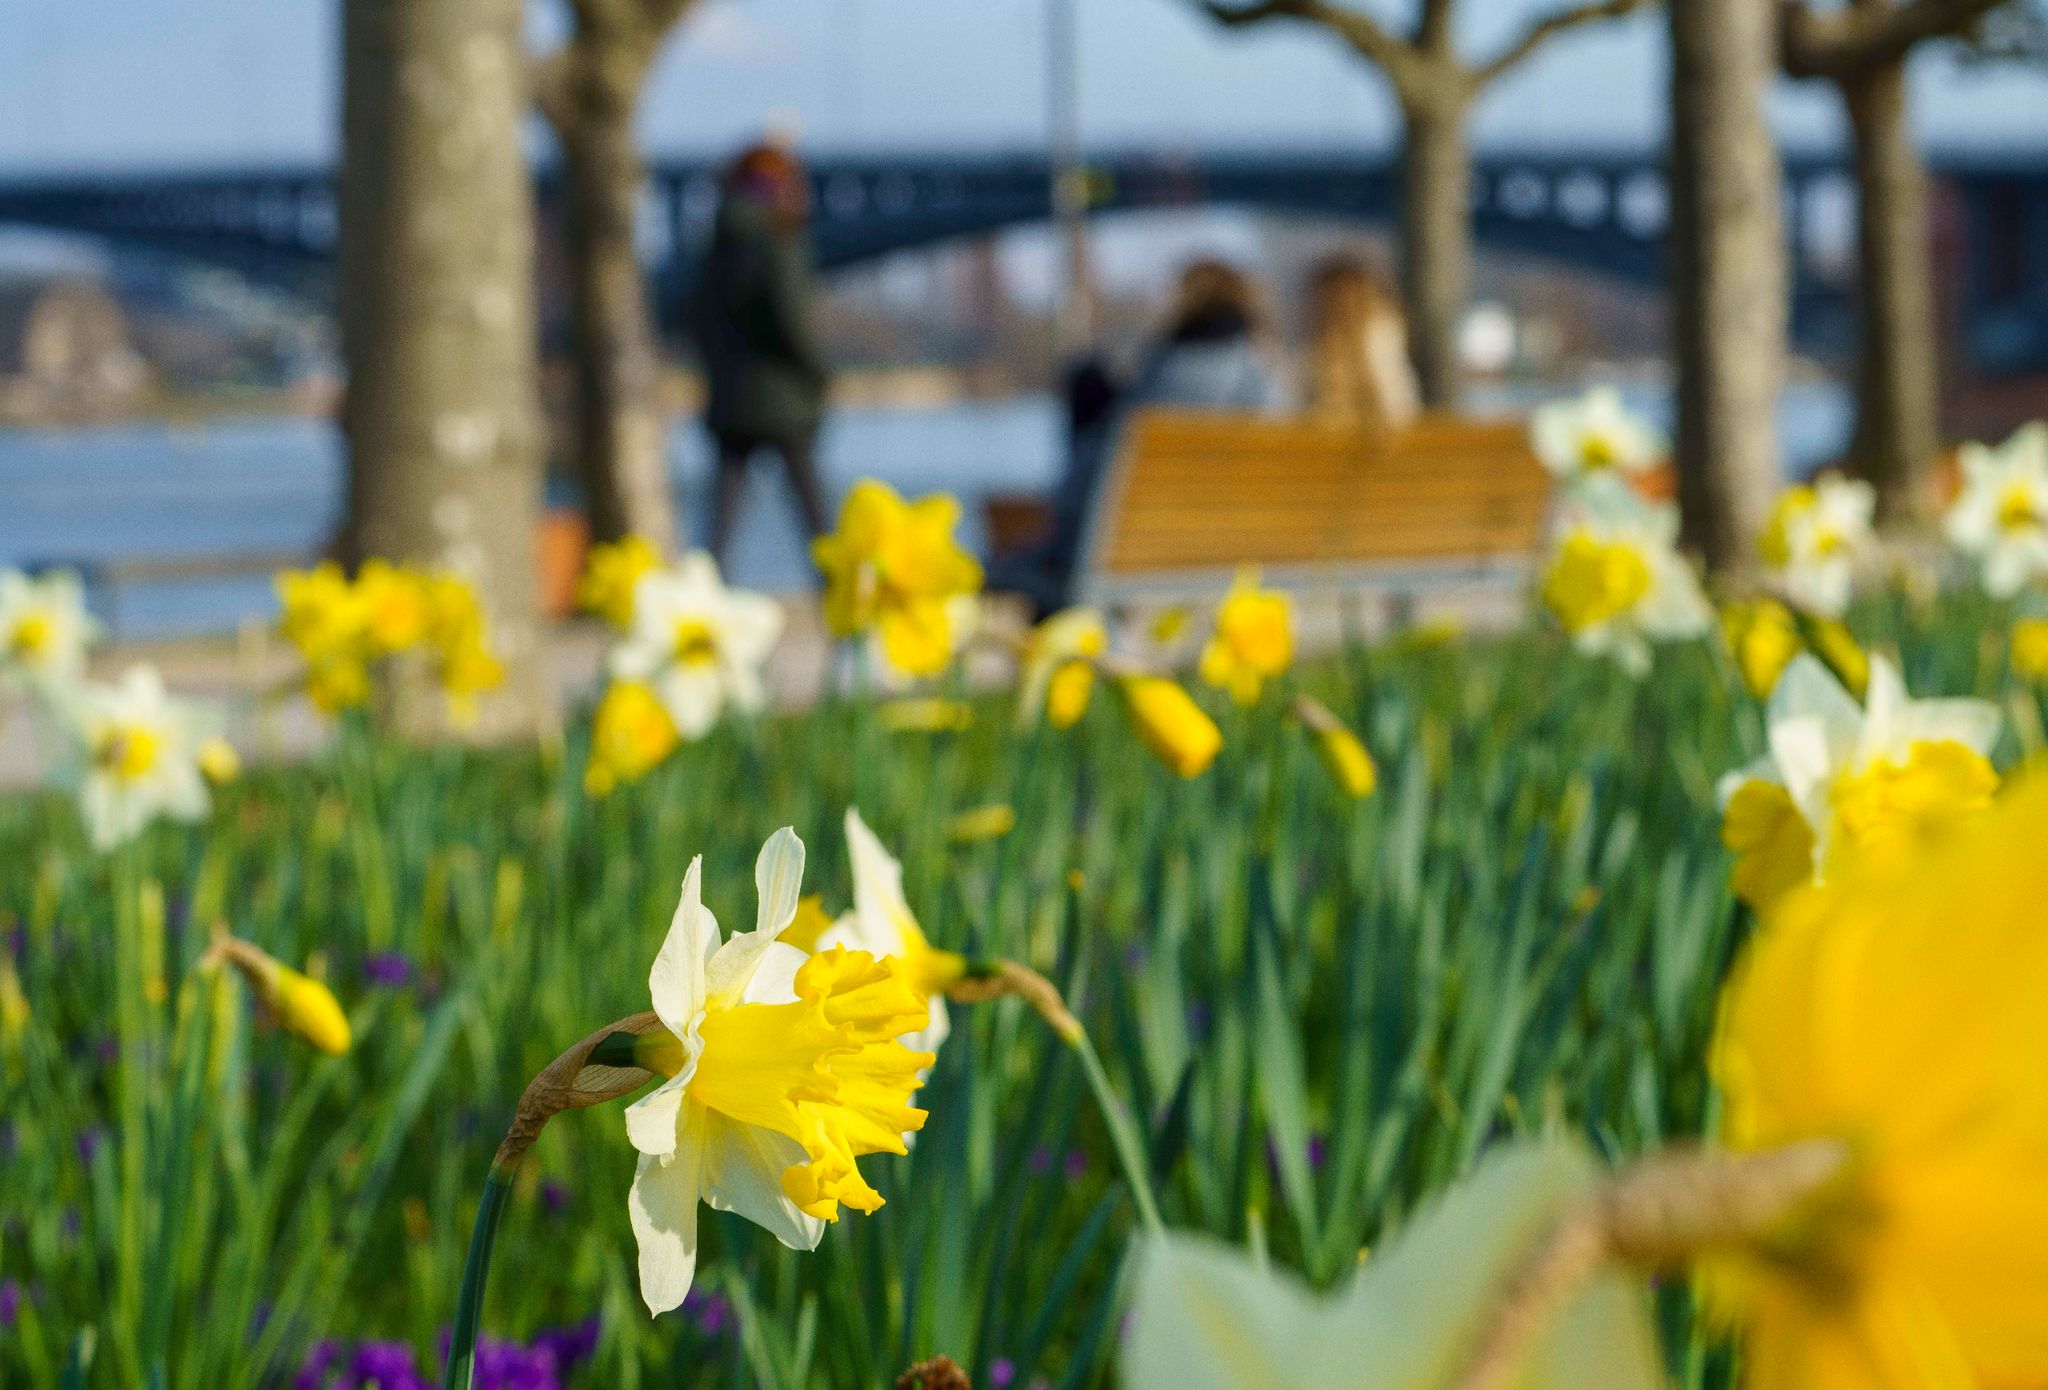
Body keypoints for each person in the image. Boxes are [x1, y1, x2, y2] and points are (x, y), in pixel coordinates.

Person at [998, 259, 1281, 616]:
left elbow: (1082, 487)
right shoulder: (1261, 375)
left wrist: (1090, 401)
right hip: (1222, 558)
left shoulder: (1167, 374)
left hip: (1120, 561)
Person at [689, 143, 831, 563]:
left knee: (719, 528)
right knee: (817, 523)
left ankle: (705, 606)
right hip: (785, 398)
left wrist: (719, 372)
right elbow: (793, 320)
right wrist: (816, 375)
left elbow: (696, 318)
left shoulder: (717, 245)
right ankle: (845, 612)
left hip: (731, 400)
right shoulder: (778, 242)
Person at [1300, 254, 1420, 435]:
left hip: (1379, 444)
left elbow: (1392, 406)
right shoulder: (1317, 347)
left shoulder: (1379, 334)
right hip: (1333, 444)